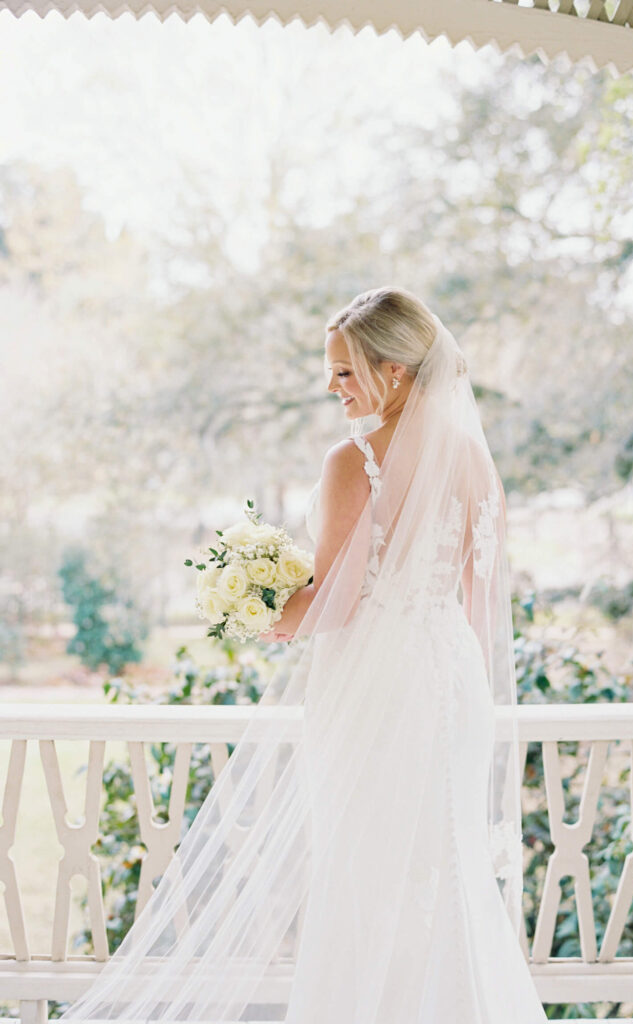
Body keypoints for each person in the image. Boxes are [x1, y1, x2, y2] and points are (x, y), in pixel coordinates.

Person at [58, 288, 548, 1024]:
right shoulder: (474, 458)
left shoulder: (353, 461)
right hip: (452, 682)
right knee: (448, 867)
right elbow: (479, 603)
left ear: (395, 372)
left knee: (364, 870)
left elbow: (338, 602)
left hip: (376, 682)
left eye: (345, 371)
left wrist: (256, 611)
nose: (331, 387)